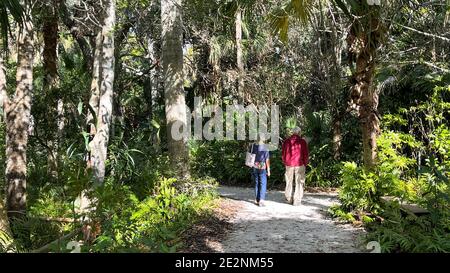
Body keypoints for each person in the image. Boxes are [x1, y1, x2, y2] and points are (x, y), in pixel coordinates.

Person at [282, 127, 309, 206]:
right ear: (299, 132)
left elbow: (283, 153)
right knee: (299, 182)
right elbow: (305, 154)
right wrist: (305, 163)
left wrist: (285, 161)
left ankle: (289, 197)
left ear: (292, 132)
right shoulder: (302, 142)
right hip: (299, 164)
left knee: (289, 181)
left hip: (289, 164)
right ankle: (297, 200)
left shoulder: (286, 141)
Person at [250, 134, 271, 207]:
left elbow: (251, 155)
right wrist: (268, 169)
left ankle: (257, 199)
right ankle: (261, 200)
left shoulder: (253, 145)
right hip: (262, 166)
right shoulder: (265, 147)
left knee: (256, 182)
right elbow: (267, 159)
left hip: (255, 165)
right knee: (263, 183)